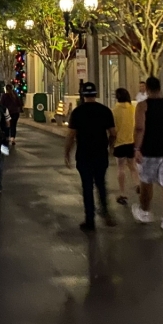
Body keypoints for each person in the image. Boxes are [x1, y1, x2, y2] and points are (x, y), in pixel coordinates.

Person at [64, 82, 117, 232]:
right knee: (101, 183)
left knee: (87, 186)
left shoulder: (77, 112)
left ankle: (90, 220)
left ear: (83, 95)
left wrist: (67, 152)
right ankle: (105, 211)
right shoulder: (105, 111)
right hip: (101, 153)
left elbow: (71, 135)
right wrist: (111, 146)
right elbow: (113, 133)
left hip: (84, 154)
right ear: (95, 93)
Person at [132, 76, 163, 233]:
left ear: (146, 88)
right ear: (160, 88)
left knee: (146, 182)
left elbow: (139, 128)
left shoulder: (143, 106)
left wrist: (136, 149)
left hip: (150, 150)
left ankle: (145, 212)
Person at [111, 88, 137, 205]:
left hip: (119, 143)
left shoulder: (114, 110)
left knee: (121, 168)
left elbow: (113, 129)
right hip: (131, 141)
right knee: (132, 165)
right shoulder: (132, 109)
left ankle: (123, 193)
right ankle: (137, 184)